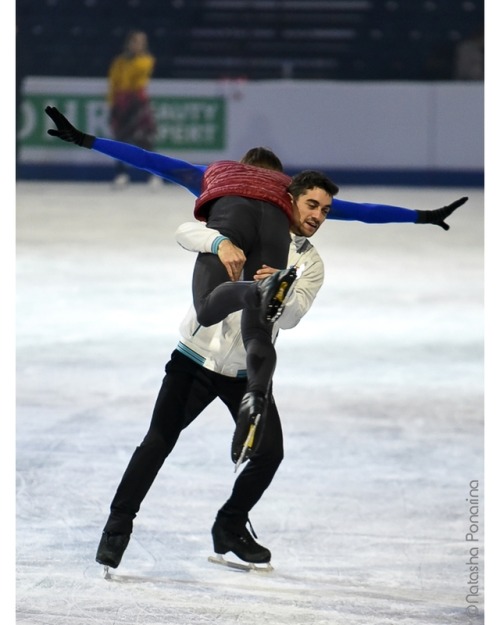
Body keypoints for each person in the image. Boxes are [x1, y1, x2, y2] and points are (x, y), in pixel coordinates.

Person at [96, 168, 338, 572]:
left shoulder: (310, 263)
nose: (317, 216)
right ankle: (117, 526)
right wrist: (221, 242)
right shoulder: (245, 221)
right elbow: (187, 232)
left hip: (246, 371)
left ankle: (228, 527)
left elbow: (292, 318)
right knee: (158, 441)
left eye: (326, 211)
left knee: (269, 454)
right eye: (312, 204)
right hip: (195, 359)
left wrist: (283, 289)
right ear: (289, 198)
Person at [44, 105, 466, 232]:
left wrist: (86, 140)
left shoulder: (211, 175)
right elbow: (360, 210)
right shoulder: (290, 190)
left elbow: (146, 159)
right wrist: (421, 216)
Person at [107, 30, 159, 188]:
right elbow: (113, 83)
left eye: (141, 42)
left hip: (138, 101)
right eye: (135, 41)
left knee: (144, 139)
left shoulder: (147, 60)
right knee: (119, 139)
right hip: (122, 102)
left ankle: (153, 175)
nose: (138, 45)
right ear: (128, 43)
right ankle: (121, 173)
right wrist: (112, 104)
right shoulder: (119, 62)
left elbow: (137, 78)